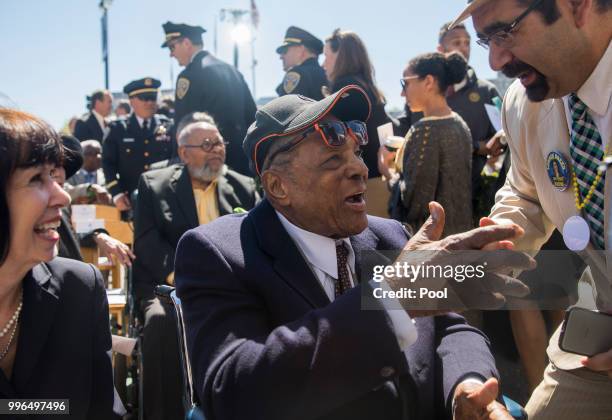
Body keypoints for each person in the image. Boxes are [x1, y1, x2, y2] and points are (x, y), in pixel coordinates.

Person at [173, 85, 537, 420]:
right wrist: (389, 298)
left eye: (357, 152)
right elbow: (232, 392)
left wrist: (467, 386)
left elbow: (450, 328)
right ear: (278, 186)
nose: (361, 169)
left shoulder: (389, 234)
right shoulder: (219, 253)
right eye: (333, 158)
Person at [452, 0, 612, 418]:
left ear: (579, 6)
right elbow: (525, 193)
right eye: (487, 39)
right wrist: (499, 240)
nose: (494, 59)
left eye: (506, 31)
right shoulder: (524, 105)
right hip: (599, 333)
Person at [133, 113, 259, 420]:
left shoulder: (242, 186)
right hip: (170, 287)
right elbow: (149, 243)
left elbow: (257, 239)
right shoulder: (155, 185)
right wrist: (185, 279)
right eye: (206, 143)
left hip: (233, 283)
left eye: (219, 142)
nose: (216, 149)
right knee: (161, 323)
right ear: (183, 152)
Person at [0, 109, 120, 419]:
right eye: (36, 179)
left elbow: (103, 411)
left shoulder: (79, 289)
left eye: (55, 175)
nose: (63, 196)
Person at [392, 52, 473, 237]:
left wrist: (390, 175)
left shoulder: (424, 131)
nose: (402, 92)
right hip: (461, 235)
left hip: (431, 244)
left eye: (405, 83)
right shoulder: (459, 123)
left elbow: (415, 201)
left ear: (428, 81)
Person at [162, 21, 257, 176]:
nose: (171, 54)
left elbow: (183, 125)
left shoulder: (189, 75)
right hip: (241, 163)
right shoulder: (232, 71)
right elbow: (251, 116)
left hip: (207, 165)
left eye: (172, 47)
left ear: (186, 43)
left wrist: (177, 160)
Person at [437, 21, 506, 222]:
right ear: (441, 49)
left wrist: (497, 143)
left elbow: (507, 133)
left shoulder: (487, 92)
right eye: (456, 42)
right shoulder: (429, 93)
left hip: (479, 199)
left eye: (467, 43)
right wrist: (477, 146)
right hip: (437, 201)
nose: (464, 48)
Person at [323, 29, 392, 218]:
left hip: (361, 186)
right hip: (378, 181)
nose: (323, 63)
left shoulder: (346, 89)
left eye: (326, 55)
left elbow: (342, 143)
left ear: (340, 56)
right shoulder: (368, 87)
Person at [102, 77, 173, 212]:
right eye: (145, 98)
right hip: (131, 202)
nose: (150, 102)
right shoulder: (117, 129)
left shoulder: (168, 126)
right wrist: (116, 194)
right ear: (132, 100)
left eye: (153, 98)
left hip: (165, 200)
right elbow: (108, 163)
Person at [276, 26, 327, 100]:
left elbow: (286, 110)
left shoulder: (296, 74)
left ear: (301, 49)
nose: (281, 57)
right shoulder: (327, 74)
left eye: (285, 51)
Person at [66, 139, 111, 205]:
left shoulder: (108, 175)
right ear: (81, 156)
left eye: (99, 153)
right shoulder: (70, 174)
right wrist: (90, 188)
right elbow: (66, 191)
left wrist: (108, 198)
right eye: (91, 153)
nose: (98, 157)